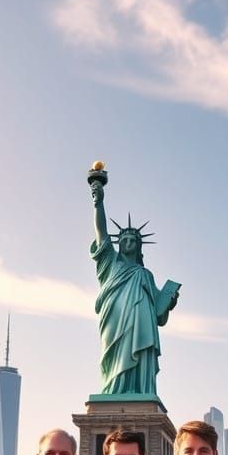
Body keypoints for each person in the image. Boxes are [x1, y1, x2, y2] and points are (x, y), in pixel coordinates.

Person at [89, 165, 179, 396]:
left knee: (140, 358)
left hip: (143, 326)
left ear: (139, 246)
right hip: (114, 320)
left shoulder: (145, 274)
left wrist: (169, 301)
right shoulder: (110, 263)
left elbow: (159, 316)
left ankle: (140, 391)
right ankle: (114, 390)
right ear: (119, 244)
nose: (129, 242)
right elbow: (101, 232)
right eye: (125, 239)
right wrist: (98, 203)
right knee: (114, 359)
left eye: (133, 240)